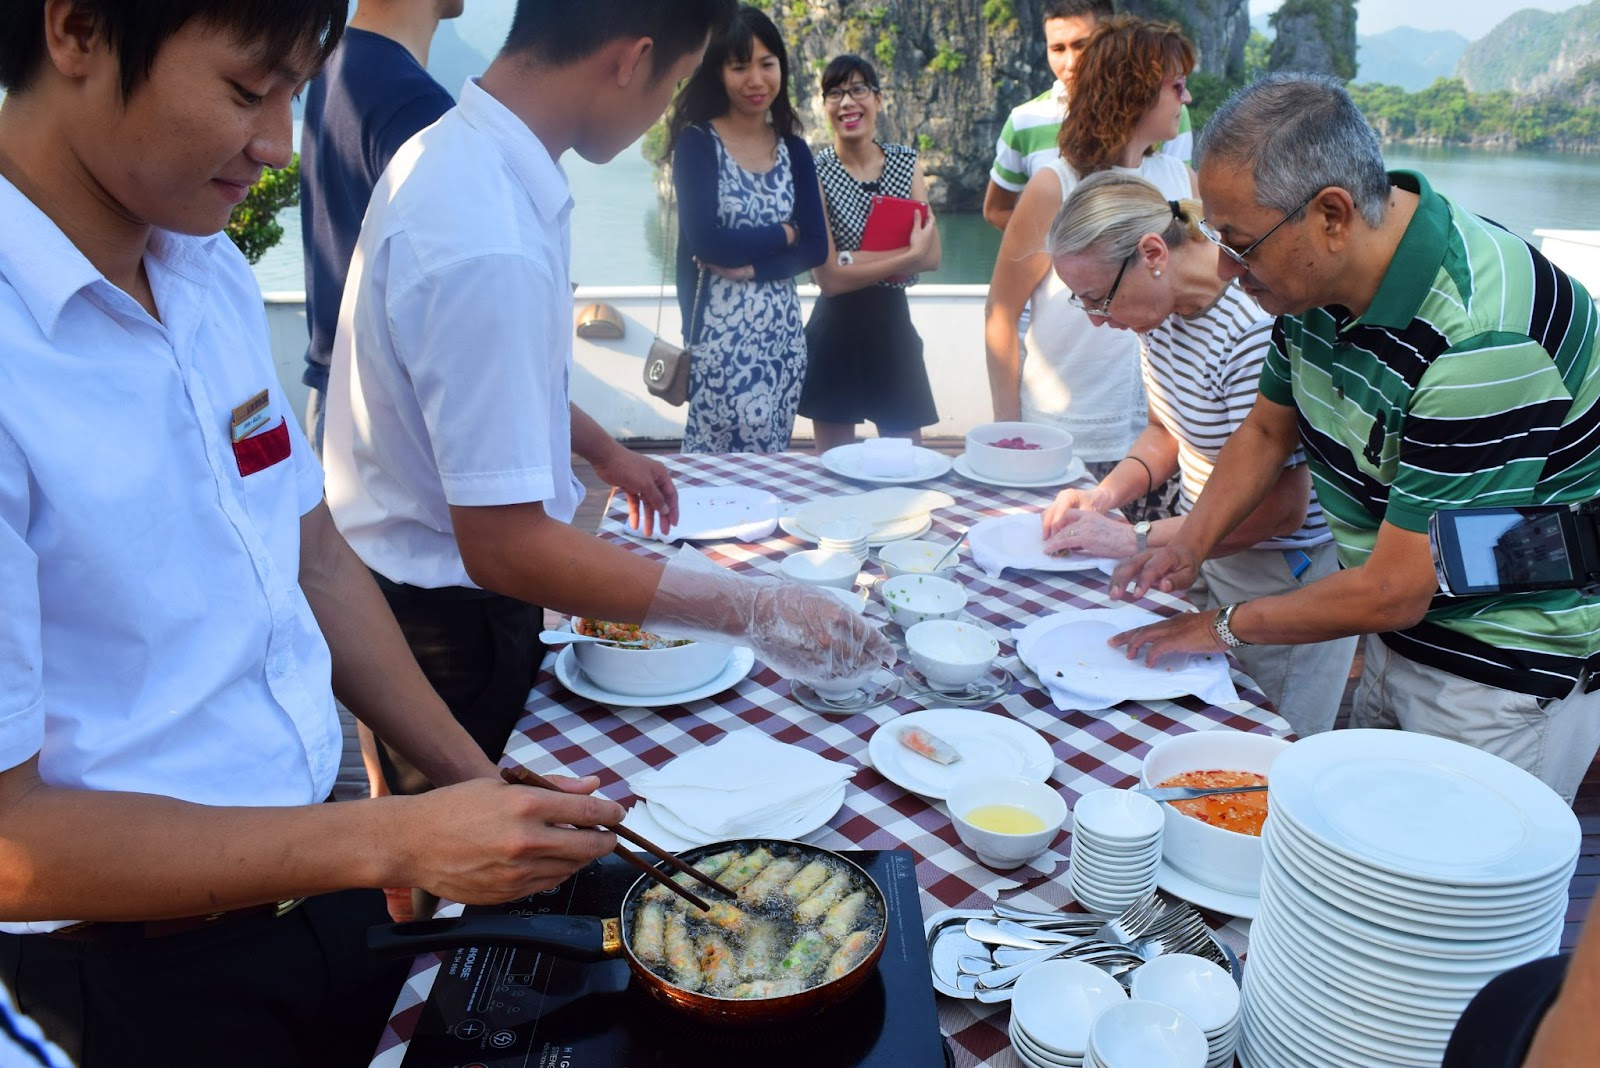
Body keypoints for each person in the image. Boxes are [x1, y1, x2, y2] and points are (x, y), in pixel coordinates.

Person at [0, 2, 625, 1064]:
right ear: (77, 31)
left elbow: (315, 558)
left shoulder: (206, 274)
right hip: (131, 983)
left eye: (294, 92)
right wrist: (392, 835)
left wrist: (474, 783)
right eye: (247, 91)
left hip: (318, 897)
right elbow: (12, 845)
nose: (276, 145)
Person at [323, 0, 893, 805]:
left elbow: (480, 388)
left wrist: (601, 449)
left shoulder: (457, 156)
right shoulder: (487, 236)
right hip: (447, 621)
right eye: (677, 84)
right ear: (631, 60)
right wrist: (756, 609)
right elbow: (504, 545)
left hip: (430, 590)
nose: (664, 114)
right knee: (451, 863)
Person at [1110, 73, 1600, 803]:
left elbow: (1394, 589)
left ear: (1331, 215)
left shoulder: (1479, 339)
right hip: (1399, 629)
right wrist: (1192, 541)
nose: (1222, 268)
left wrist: (1221, 625)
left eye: (1239, 244)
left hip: (1500, 666)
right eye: (1215, 237)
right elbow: (1269, 425)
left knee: (1443, 901)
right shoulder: (1314, 283)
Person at [1037, 173, 1357, 737]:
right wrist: (1104, 496)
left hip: (1277, 571)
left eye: (1097, 299)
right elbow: (1168, 430)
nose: (1095, 319)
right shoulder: (1158, 312)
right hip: (1199, 547)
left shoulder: (1253, 329)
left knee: (1257, 744)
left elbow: (1281, 509)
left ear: (1152, 253)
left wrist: (1138, 538)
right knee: (1184, 721)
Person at [983, 15, 1195, 522]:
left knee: (1144, 580)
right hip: (1063, 435)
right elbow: (1001, 313)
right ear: (1137, 90)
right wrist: (1009, 435)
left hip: (1158, 439)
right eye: (1177, 86)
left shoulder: (1182, 182)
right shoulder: (1055, 185)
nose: (1186, 99)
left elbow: (1198, 294)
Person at [299, 0, 461, 457]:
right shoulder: (415, 103)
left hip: (333, 392)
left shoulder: (332, 62)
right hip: (389, 421)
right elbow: (452, 297)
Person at [665, 5, 828, 453]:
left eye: (767, 64)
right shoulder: (697, 143)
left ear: (781, 68)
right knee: (714, 471)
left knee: (769, 466)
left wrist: (753, 269)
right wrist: (784, 233)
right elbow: (707, 240)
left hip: (782, 338)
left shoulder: (794, 148)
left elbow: (817, 248)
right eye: (740, 67)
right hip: (718, 342)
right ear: (718, 72)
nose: (756, 80)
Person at [798, 54, 941, 453]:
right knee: (834, 468)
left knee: (903, 463)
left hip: (892, 328)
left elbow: (933, 256)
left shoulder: (905, 163)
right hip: (834, 332)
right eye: (835, 93)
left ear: (877, 99)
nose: (847, 102)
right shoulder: (815, 171)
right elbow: (827, 279)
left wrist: (849, 259)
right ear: (825, 106)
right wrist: (904, 257)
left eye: (858, 90)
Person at [982, 0, 1192, 233]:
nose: (1070, 63)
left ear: (1112, 44)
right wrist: (1052, 254)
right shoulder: (1024, 121)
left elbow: (1180, 201)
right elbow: (997, 209)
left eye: (1082, 45)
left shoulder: (1170, 117)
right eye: (1057, 49)